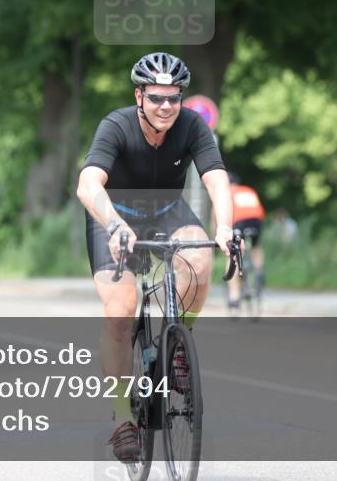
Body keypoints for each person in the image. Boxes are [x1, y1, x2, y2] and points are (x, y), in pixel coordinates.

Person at [75, 52, 239, 462]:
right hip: (115, 216)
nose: (165, 106)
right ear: (139, 97)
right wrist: (114, 224)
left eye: (173, 98)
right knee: (120, 311)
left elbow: (216, 178)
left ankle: (178, 346)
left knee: (198, 258)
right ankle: (122, 420)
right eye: (156, 98)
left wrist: (225, 227)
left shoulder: (192, 125)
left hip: (166, 210)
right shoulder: (116, 126)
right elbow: (88, 183)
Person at [226, 173, 266, 313]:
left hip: (240, 220)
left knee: (233, 254)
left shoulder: (227, 192)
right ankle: (259, 270)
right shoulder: (249, 190)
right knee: (256, 246)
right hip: (256, 220)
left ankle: (234, 296)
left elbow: (216, 216)